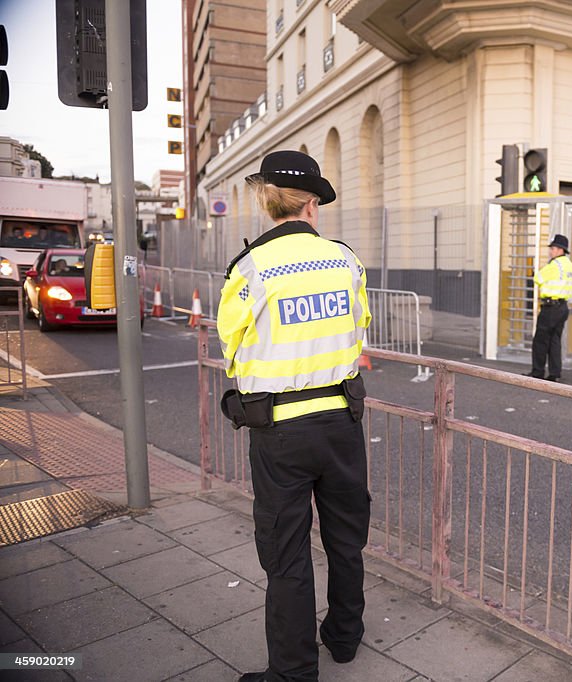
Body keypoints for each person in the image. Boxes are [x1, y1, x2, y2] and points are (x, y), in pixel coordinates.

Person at [217, 150, 372, 682]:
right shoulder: (345, 259)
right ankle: (345, 638)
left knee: (286, 554)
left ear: (267, 201)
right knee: (347, 539)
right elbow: (359, 324)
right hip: (342, 422)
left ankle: (293, 671)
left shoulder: (250, 268)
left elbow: (231, 345)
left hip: (280, 429)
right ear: (311, 203)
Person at [526, 234, 572, 382]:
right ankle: (555, 374)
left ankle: (537, 372)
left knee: (540, 341)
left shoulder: (555, 265)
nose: (551, 251)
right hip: (562, 307)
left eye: (553, 248)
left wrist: (537, 272)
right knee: (555, 341)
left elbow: (538, 279)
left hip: (550, 308)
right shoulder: (570, 266)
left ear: (561, 250)